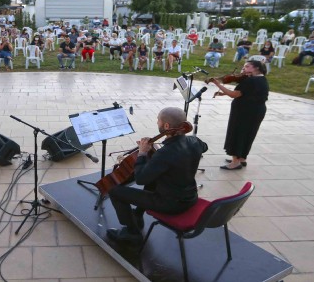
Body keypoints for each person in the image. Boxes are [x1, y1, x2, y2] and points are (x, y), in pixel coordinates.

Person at [106, 107, 208, 244]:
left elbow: (141, 179)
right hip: (190, 197)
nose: (157, 122)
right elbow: (204, 146)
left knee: (114, 190)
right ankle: (137, 215)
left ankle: (132, 233)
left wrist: (142, 153)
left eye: (158, 120)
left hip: (170, 204)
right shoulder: (194, 141)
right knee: (155, 177)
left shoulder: (165, 153)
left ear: (166, 126)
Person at [210, 60, 269, 170]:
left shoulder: (250, 81)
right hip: (257, 110)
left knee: (238, 133)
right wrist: (224, 93)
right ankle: (242, 158)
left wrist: (218, 84)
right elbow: (249, 93)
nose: (243, 69)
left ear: (256, 68)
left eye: (247, 67)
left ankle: (235, 162)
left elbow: (234, 94)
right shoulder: (262, 79)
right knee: (248, 134)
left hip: (245, 111)